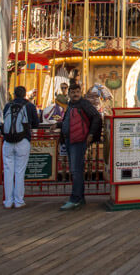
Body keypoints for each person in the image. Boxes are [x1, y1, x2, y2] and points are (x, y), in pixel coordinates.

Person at [58, 81, 102, 210]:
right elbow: (69, 121)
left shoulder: (83, 104)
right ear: (69, 94)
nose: (75, 94)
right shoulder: (71, 105)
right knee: (76, 170)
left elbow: (96, 117)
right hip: (71, 140)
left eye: (77, 92)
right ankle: (80, 197)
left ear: (80, 92)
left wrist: (91, 134)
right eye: (73, 92)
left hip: (78, 140)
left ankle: (75, 198)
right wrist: (59, 125)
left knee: (75, 170)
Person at [2, 86, 40, 209]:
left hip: (7, 141)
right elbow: (36, 123)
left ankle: (8, 201)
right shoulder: (29, 106)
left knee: (8, 171)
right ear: (25, 95)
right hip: (23, 140)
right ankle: (19, 200)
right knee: (19, 171)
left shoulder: (8, 106)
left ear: (14, 94)